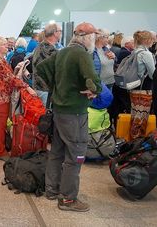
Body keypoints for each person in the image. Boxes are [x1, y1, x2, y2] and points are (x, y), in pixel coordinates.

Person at [37, 22, 102, 212]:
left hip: (59, 110)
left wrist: (56, 87)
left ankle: (52, 190)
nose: (95, 40)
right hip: (74, 112)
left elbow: (41, 68)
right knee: (76, 154)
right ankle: (67, 199)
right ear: (87, 37)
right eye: (94, 36)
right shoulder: (81, 54)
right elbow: (93, 79)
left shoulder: (63, 51)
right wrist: (94, 90)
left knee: (57, 152)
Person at [0, 37, 35, 161]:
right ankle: (0, 152)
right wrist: (27, 87)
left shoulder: (0, 59)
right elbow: (11, 79)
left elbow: (8, 77)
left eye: (6, 44)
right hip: (0, 97)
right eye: (3, 44)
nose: (7, 46)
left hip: (1, 96)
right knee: (0, 125)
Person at [31, 23, 61, 104]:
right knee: (45, 115)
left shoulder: (40, 46)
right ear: (55, 33)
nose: (61, 33)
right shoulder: (50, 50)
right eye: (60, 31)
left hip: (39, 88)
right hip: (45, 89)